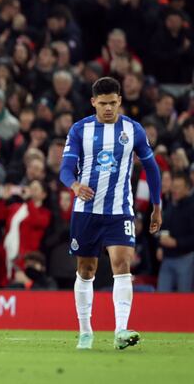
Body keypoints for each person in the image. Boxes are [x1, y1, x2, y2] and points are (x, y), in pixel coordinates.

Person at [59, 76, 162, 350]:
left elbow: (151, 169)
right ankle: (85, 331)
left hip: (120, 210)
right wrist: (74, 184)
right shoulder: (80, 130)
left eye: (113, 103)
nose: (108, 108)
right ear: (93, 102)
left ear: (120, 101)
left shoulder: (134, 130)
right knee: (86, 269)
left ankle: (120, 330)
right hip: (86, 212)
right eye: (103, 103)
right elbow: (65, 168)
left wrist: (157, 205)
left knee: (122, 265)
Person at [157, 173, 194, 292]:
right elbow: (164, 227)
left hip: (185, 259)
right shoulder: (169, 205)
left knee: (184, 298)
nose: (174, 190)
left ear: (187, 188)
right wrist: (160, 246)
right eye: (174, 187)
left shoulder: (191, 207)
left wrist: (176, 242)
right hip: (167, 258)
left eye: (178, 187)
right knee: (161, 297)